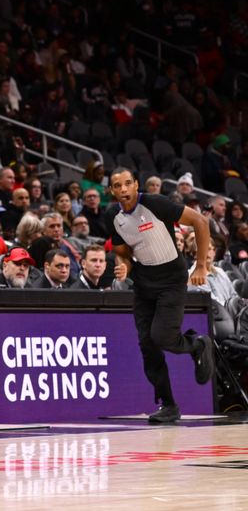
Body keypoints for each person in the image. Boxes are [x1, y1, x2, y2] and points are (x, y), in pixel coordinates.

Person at [106, 167, 214, 424]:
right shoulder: (114, 216)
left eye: (127, 183)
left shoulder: (155, 203)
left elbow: (200, 221)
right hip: (144, 283)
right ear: (112, 190)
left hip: (171, 280)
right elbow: (124, 253)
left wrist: (200, 265)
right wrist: (123, 265)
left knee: (163, 336)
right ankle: (168, 405)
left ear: (135, 185)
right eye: (117, 185)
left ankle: (197, 344)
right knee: (148, 345)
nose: (123, 189)